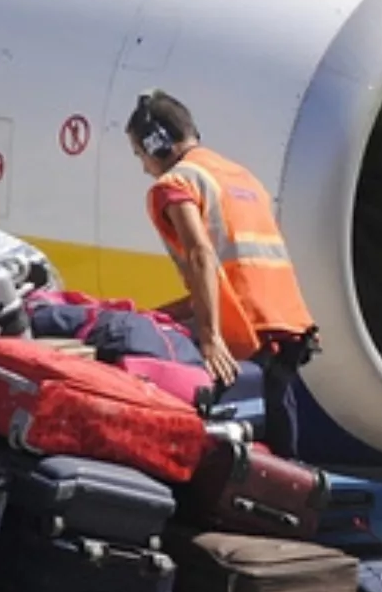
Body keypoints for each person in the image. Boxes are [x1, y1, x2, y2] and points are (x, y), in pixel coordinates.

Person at [127, 90, 319, 459]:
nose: (143, 166)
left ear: (157, 143)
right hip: (286, 324)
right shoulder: (238, 176)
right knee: (281, 447)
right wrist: (164, 314)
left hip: (246, 334)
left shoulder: (177, 185)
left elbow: (202, 255)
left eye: (140, 153)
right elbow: (230, 275)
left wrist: (210, 336)